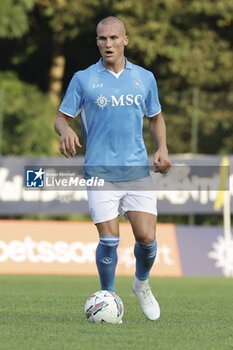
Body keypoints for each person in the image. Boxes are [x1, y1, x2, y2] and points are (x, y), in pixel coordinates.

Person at [54, 16, 171, 321]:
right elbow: (61, 118)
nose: (108, 44)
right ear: (97, 42)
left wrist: (162, 148)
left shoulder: (144, 78)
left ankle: (141, 284)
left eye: (114, 38)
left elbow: (156, 117)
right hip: (100, 172)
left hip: (136, 172)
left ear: (125, 41)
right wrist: (65, 131)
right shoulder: (83, 79)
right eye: (102, 39)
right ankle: (109, 298)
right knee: (109, 240)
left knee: (146, 239)